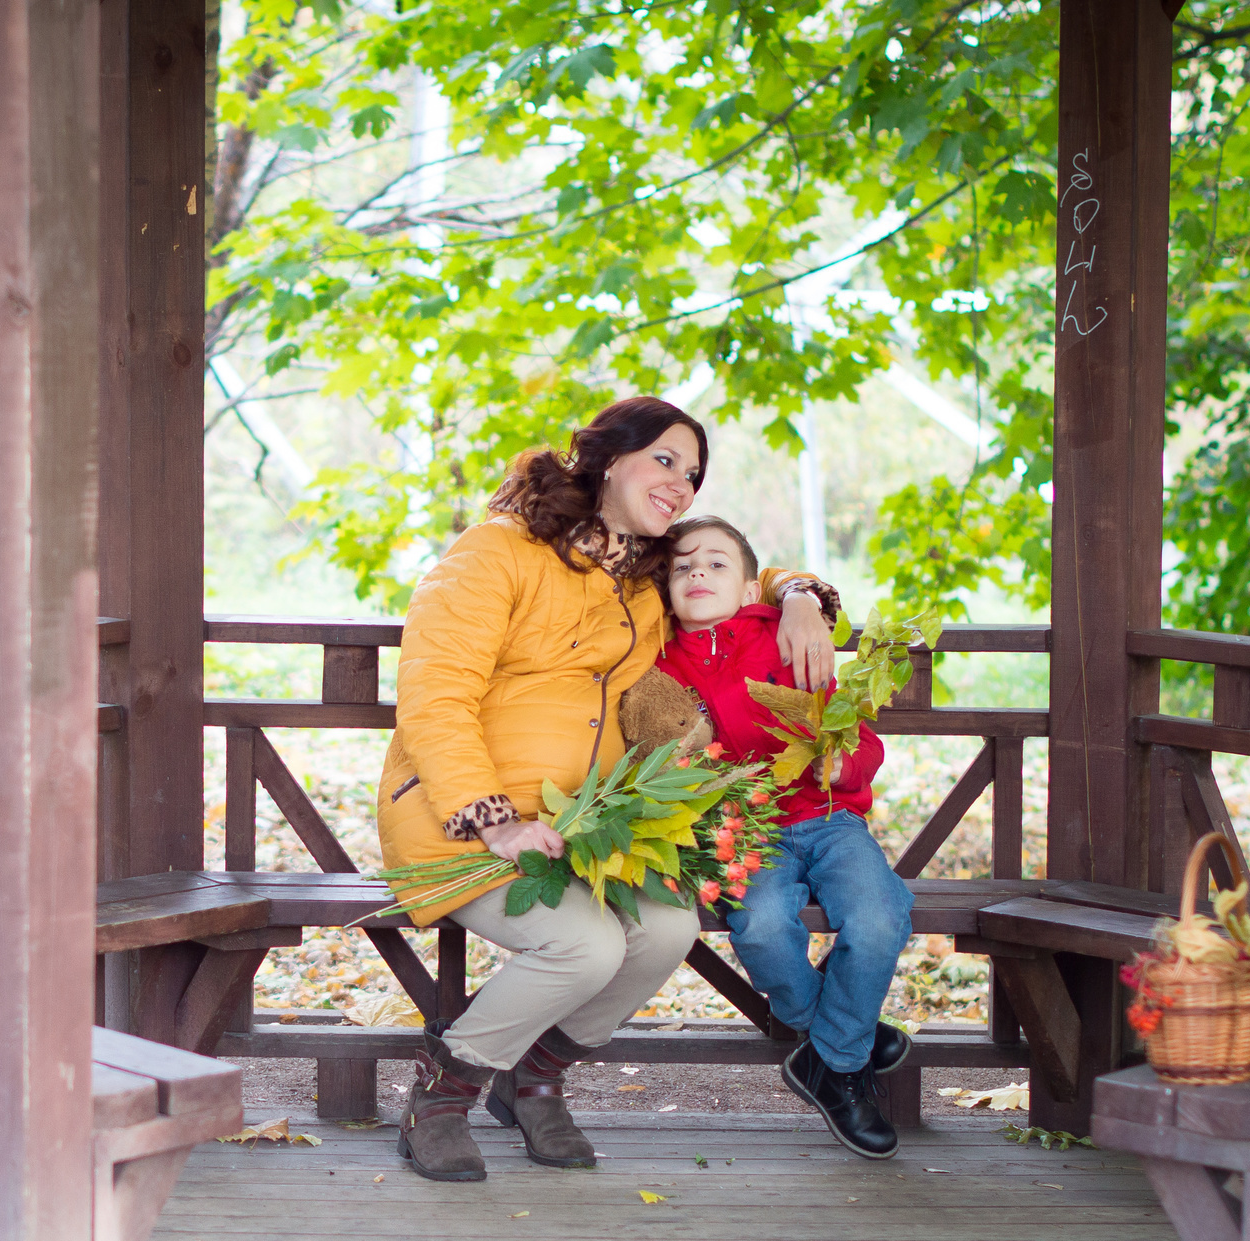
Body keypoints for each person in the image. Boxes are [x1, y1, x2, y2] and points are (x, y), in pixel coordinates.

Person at [375, 400, 836, 1181]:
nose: (681, 484)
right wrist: (495, 820)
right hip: (460, 819)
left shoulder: (645, 580)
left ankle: (535, 1080)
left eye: (692, 474)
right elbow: (435, 696)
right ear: (609, 459)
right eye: (665, 460)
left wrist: (798, 595)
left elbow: (741, 566)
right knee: (583, 944)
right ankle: (442, 1095)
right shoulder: (498, 552)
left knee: (664, 927)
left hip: (585, 826)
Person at [653, 514, 913, 1160]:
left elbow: (859, 735)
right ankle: (837, 1038)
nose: (697, 573)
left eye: (715, 563)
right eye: (682, 566)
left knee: (880, 916)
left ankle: (832, 1058)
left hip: (828, 816)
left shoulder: (788, 638)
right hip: (749, 828)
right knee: (763, 926)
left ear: (750, 589)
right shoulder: (661, 663)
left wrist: (842, 763)